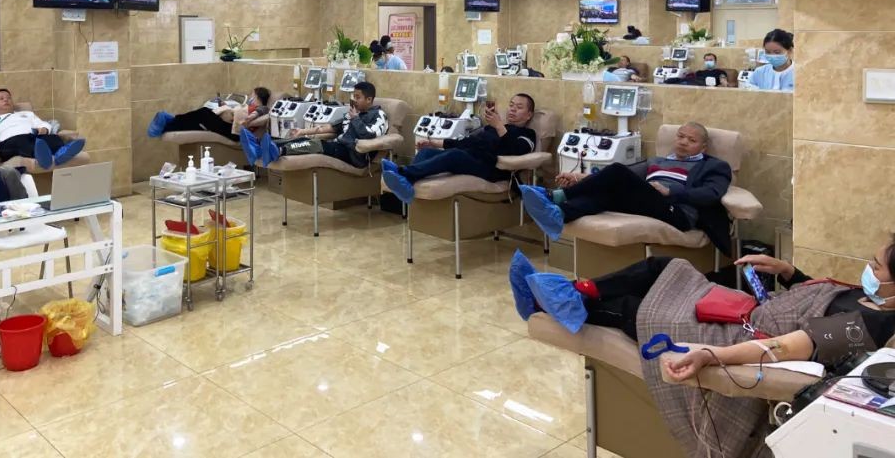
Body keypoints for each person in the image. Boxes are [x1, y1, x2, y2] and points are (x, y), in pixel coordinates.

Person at [507, 237, 895, 455]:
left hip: (742, 336)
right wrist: (787, 271)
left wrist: (711, 354)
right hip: (750, 311)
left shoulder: (869, 325)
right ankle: (575, 291)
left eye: (876, 266)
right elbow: (823, 302)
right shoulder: (874, 300)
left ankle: (547, 303)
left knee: (639, 311)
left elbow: (788, 347)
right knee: (665, 267)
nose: (868, 268)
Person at [520, 122, 733, 253]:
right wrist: (578, 177)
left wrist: (671, 191)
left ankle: (557, 196)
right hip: (648, 201)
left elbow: (712, 193)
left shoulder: (714, 166)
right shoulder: (657, 161)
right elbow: (621, 177)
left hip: (676, 211)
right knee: (608, 193)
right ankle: (559, 213)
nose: (684, 142)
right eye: (681, 136)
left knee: (617, 169)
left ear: (703, 147)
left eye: (691, 140)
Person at [380, 94, 537, 203]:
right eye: (511, 105)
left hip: (493, 168)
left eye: (519, 107)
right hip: (472, 158)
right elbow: (468, 142)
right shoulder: (491, 128)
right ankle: (407, 187)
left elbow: (516, 151)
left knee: (455, 155)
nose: (512, 109)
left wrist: (500, 127)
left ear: (529, 115)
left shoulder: (527, 134)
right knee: (426, 152)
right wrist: (435, 143)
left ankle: (403, 173)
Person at [249, 81, 388, 168]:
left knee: (316, 144)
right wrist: (303, 131)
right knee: (304, 140)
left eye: (358, 97)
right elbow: (330, 127)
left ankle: (279, 151)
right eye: (354, 97)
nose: (354, 100)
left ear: (369, 99)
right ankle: (259, 146)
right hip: (339, 146)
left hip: (354, 155)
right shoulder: (353, 113)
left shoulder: (378, 115)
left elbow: (370, 134)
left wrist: (355, 119)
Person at [0, 88, 85, 169]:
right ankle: (46, 156)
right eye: (1, 98)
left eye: (8, 98)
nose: (6, 100)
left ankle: (58, 155)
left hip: (32, 137)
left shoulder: (27, 114)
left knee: (54, 138)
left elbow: (44, 124)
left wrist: (43, 130)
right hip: (9, 143)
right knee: (22, 142)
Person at [148, 87, 271, 139]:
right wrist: (226, 107)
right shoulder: (248, 106)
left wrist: (246, 118)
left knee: (204, 113)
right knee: (199, 122)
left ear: (257, 96)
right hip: (228, 126)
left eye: (252, 95)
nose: (250, 97)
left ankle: (171, 120)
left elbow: (255, 115)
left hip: (235, 133)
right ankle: (168, 125)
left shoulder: (263, 108)